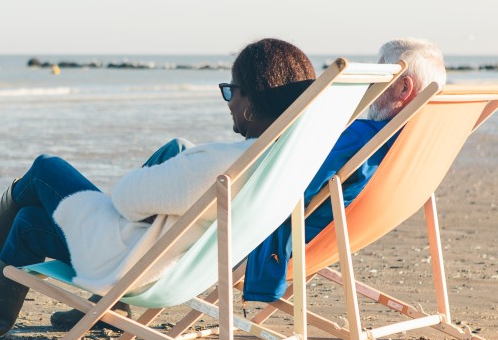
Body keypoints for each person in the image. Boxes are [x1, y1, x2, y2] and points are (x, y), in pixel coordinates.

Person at [0, 38, 318, 340]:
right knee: (33, 222)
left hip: (131, 269)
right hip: (179, 265)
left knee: (45, 170)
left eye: (231, 92)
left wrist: (163, 181)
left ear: (250, 103)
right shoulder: (286, 162)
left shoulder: (218, 162)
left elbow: (126, 199)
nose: (227, 102)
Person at [46, 37, 448, 325]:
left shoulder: (362, 137)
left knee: (60, 182)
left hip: (258, 229)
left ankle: (112, 283)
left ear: (405, 88)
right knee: (178, 149)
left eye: (385, 78)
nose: (374, 89)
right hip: (322, 227)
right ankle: (110, 292)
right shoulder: (414, 139)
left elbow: (282, 181)